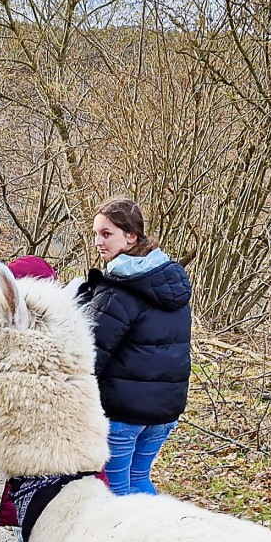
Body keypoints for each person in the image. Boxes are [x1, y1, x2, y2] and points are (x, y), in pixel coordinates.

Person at [77, 198, 192, 495]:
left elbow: (90, 355)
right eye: (95, 233)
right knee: (139, 480)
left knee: (115, 493)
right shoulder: (170, 282)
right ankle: (159, 540)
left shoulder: (118, 289)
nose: (97, 242)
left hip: (123, 413)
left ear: (131, 236)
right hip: (165, 411)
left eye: (106, 234)